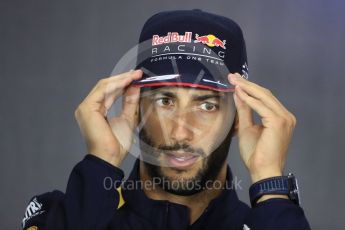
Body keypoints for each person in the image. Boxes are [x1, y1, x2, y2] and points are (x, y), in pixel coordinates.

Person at [22, 9, 311, 230]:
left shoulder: (267, 222)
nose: (180, 131)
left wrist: (270, 183)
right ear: (135, 108)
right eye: (165, 101)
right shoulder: (68, 215)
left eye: (206, 105)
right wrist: (100, 163)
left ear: (238, 118)